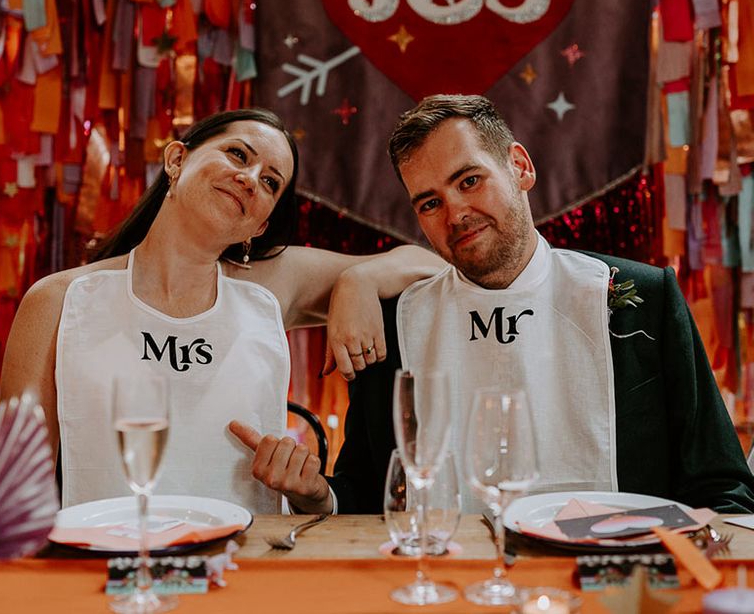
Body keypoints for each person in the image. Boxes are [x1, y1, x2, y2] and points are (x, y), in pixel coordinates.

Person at [239, 95, 754, 515]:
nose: (456, 212)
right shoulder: (394, 324)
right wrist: (316, 494)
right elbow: (366, 492)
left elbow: (723, 486)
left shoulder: (644, 298)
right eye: (430, 202)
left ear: (520, 167)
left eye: (469, 180)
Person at [0, 108, 443, 511]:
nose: (250, 178)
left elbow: (429, 266)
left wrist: (358, 279)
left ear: (260, 224)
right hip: (109, 574)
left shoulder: (269, 285)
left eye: (271, 182)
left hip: (246, 570)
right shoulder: (60, 301)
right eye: (237, 154)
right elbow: (15, 489)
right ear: (176, 160)